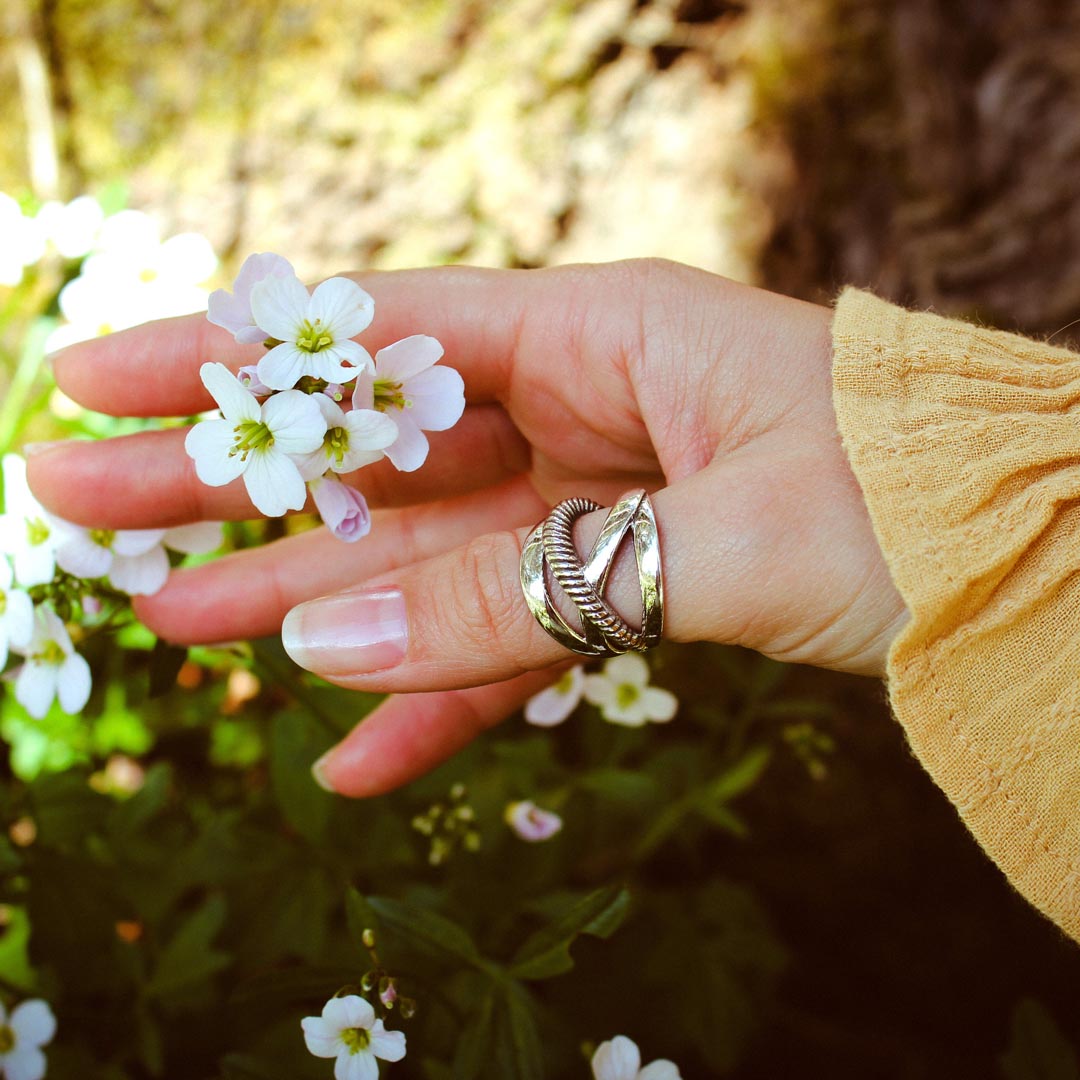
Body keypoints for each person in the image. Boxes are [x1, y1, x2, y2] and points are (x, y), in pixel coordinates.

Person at [24, 258, 1080, 943]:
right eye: (267, 426)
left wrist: (953, 512)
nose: (264, 432)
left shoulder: (343, 374)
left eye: (328, 396)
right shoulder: (294, 403)